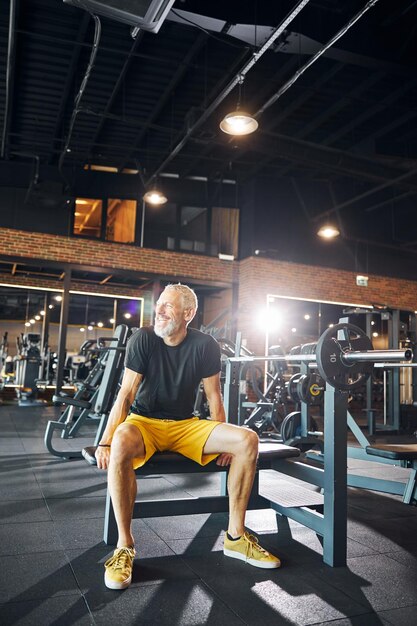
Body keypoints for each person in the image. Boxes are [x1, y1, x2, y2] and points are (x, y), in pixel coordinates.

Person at [96, 283, 281, 590]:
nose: (160, 310)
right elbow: (125, 395)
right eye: (160, 305)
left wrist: (222, 438)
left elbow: (214, 397)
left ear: (188, 313)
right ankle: (124, 546)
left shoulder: (205, 345)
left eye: (168, 306)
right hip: (144, 422)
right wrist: (105, 440)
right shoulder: (143, 339)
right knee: (121, 439)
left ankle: (235, 537)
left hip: (185, 426)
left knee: (247, 439)